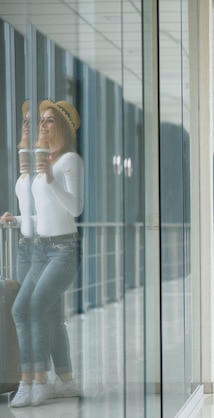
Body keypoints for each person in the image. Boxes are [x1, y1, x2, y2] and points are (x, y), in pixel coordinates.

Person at [3, 99, 83, 408]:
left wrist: (50, 178)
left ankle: (33, 380)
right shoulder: (44, 162)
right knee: (45, 314)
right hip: (39, 248)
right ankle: (62, 381)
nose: (41, 124)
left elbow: (76, 208)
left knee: (26, 309)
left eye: (49, 120)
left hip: (63, 249)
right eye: (41, 120)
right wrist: (18, 220)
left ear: (61, 127)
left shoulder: (69, 161)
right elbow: (43, 215)